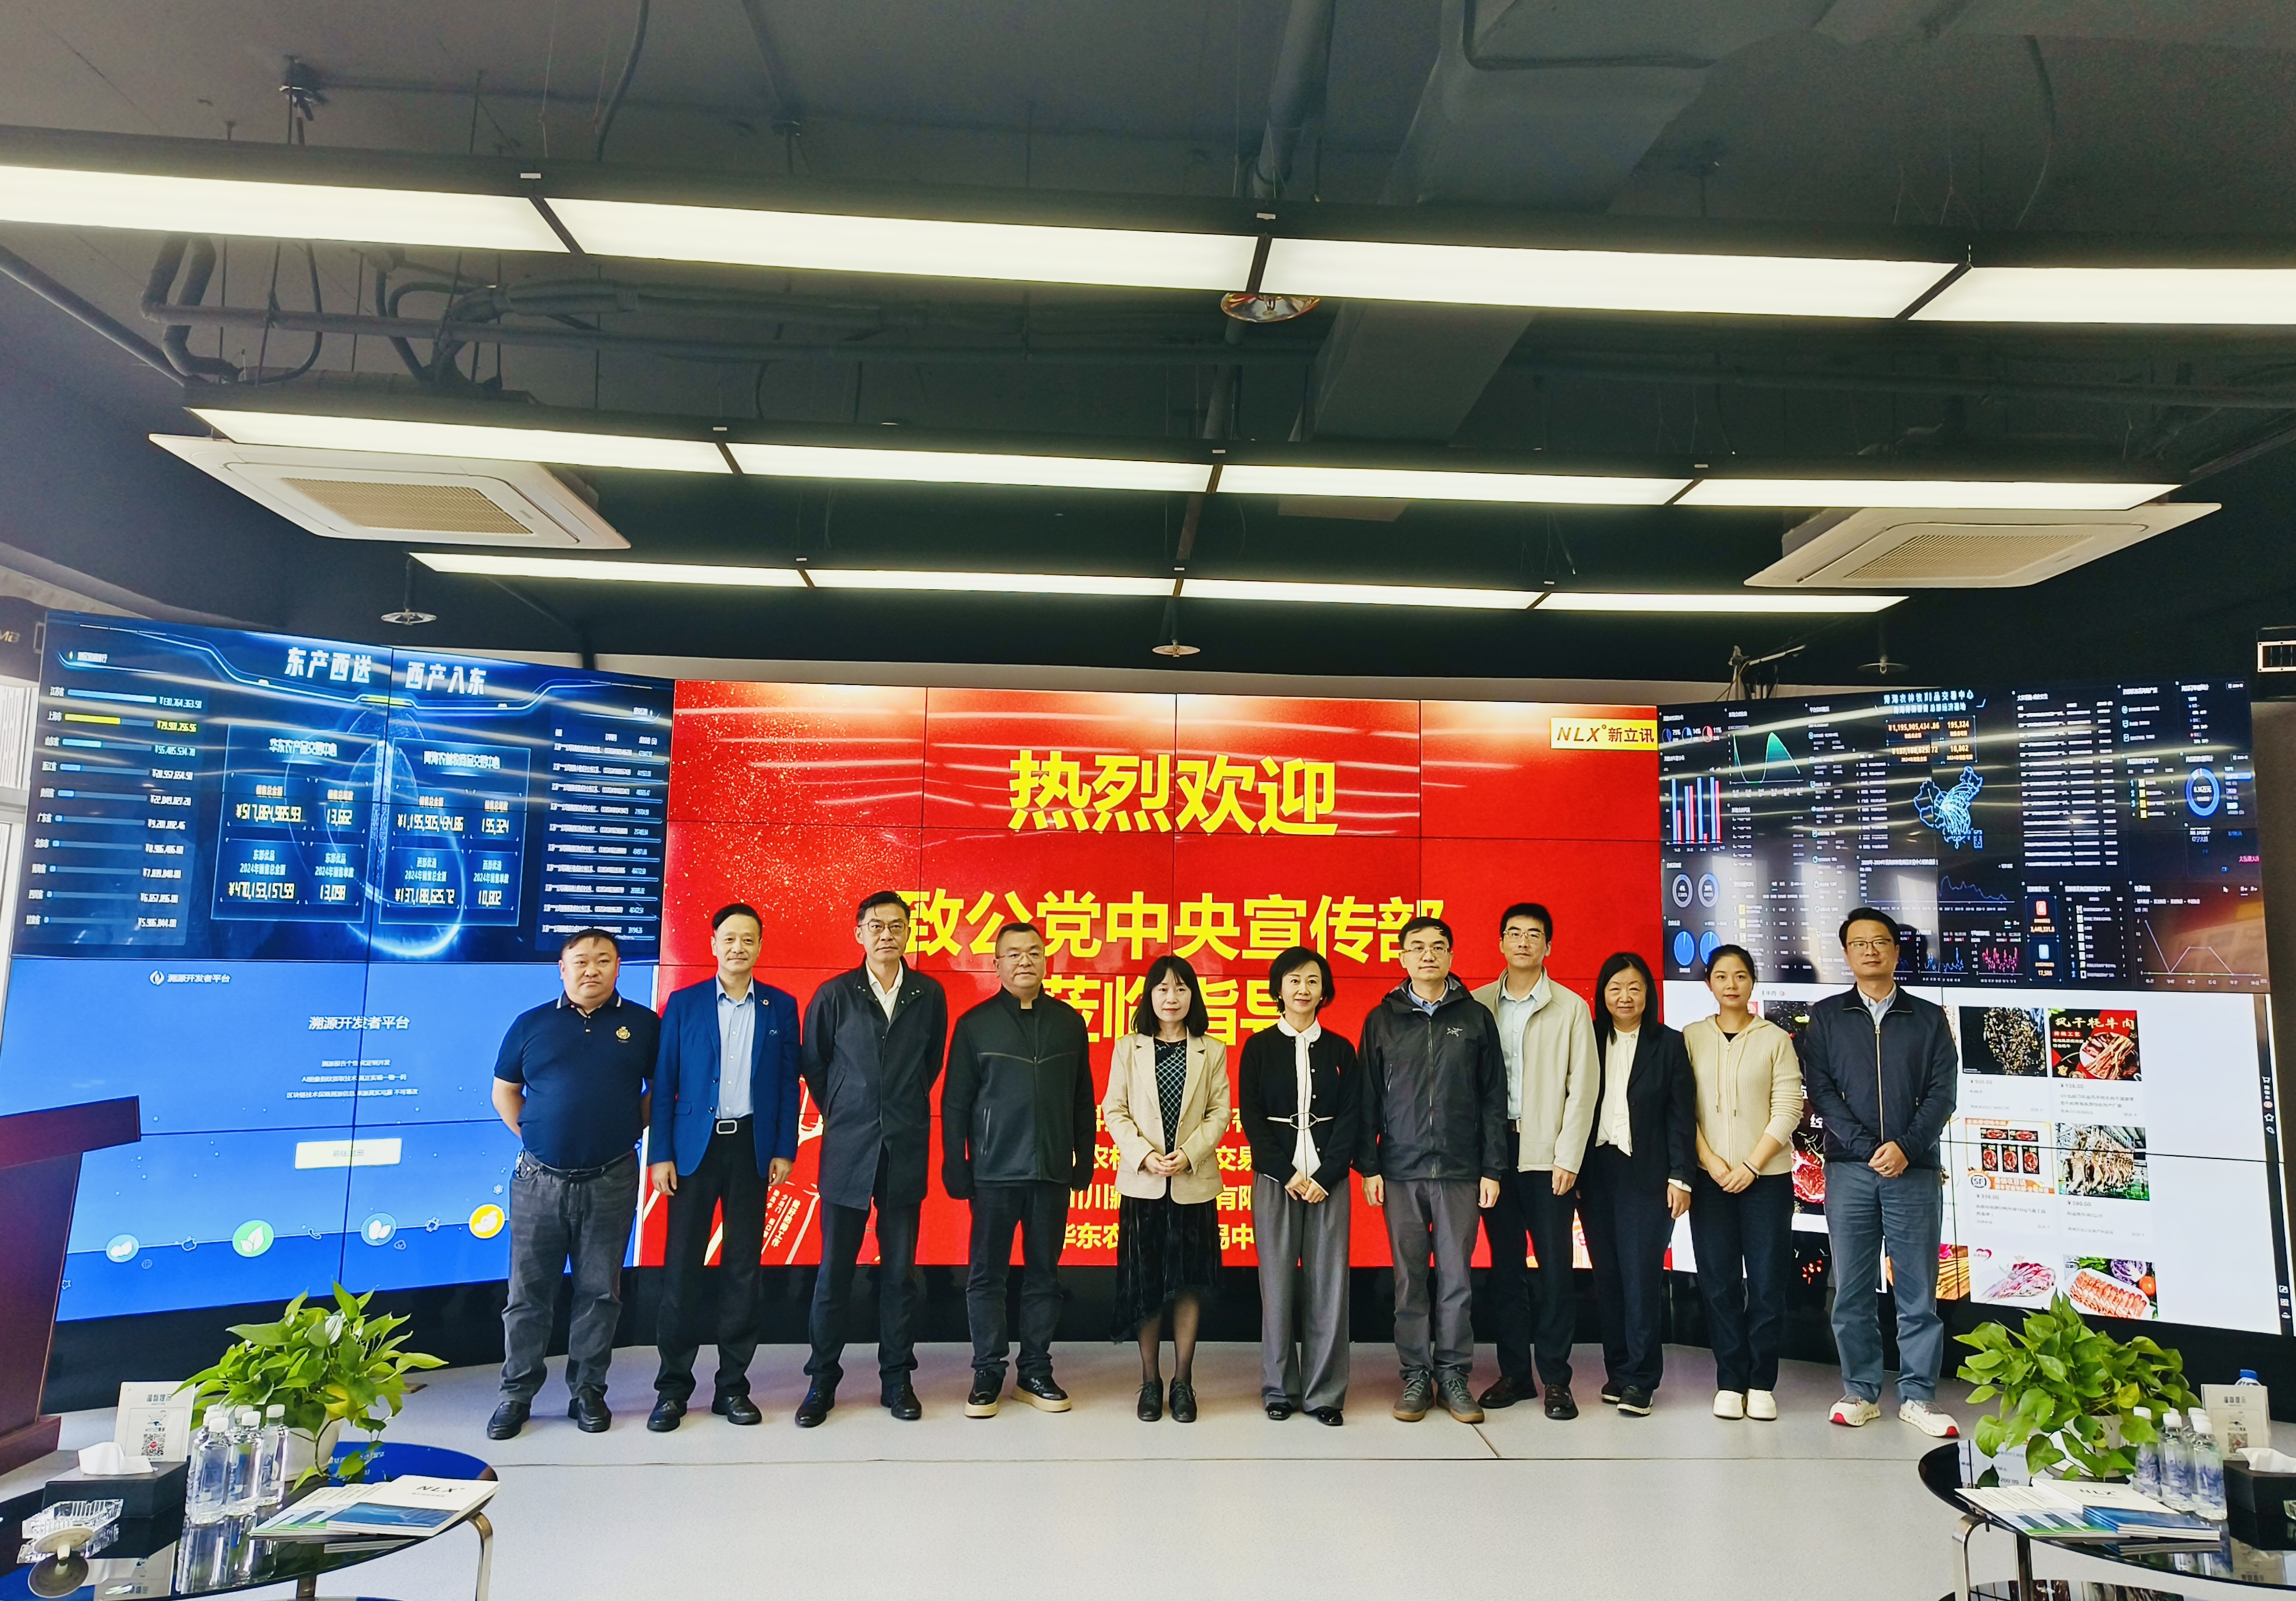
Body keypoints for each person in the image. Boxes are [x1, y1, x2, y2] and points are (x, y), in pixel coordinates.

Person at [486, 928, 661, 1439]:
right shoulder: (531, 1024)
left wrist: (627, 1128)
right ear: (562, 969)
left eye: (603, 960)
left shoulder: (643, 1025)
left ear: (618, 967)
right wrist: (538, 1139)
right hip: (539, 1181)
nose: (592, 969)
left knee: (600, 1293)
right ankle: (516, 1394)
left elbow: (659, 1091)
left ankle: (588, 1392)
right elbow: (504, 1092)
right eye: (581, 961)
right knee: (527, 1293)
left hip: (611, 1177)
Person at [1800, 907, 1961, 1437]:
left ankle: (1918, 1395)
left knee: (1917, 1292)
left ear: (1895, 951)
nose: (1870, 951)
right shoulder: (1826, 1017)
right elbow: (1822, 1092)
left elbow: (1942, 1093)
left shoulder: (1928, 1018)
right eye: (1859, 943)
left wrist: (1906, 1148)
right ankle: (1860, 1391)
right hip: (1850, 1170)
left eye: (1880, 942)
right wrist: (1871, 1148)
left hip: (1913, 1170)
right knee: (1852, 1289)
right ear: (1846, 954)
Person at [645, 903, 801, 1432]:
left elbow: (788, 1084)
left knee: (742, 1269)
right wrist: (660, 1154)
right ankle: (672, 1389)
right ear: (713, 944)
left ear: (760, 946)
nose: (738, 948)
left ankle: (733, 1387)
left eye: (748, 939)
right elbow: (664, 1082)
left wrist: (784, 1148)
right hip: (694, 1150)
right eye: (729, 938)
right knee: (681, 1269)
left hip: (751, 1147)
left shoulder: (781, 1007)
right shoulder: (683, 1004)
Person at [796, 890, 950, 1427]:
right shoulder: (835, 994)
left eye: (897, 926)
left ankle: (897, 1378)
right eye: (876, 925)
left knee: (900, 1273)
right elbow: (814, 1063)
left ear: (909, 932)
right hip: (848, 1148)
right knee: (833, 1271)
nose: (887, 934)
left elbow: (930, 1065)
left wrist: (896, 1107)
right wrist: (847, 1108)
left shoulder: (928, 994)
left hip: (905, 1146)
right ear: (859, 933)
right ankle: (821, 1380)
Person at [1358, 914, 1507, 1425]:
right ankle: (1415, 1374)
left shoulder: (1475, 1017)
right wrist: (1370, 1165)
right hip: (1399, 1170)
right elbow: (1367, 1098)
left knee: (1456, 1279)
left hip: (1460, 1170)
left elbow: (1493, 1099)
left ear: (1450, 956)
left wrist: (1492, 1168)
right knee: (1408, 1280)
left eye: (1438, 947)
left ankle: (1453, 1374)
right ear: (1402, 957)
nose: (1427, 955)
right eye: (1417, 947)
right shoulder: (1382, 1019)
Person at [942, 921, 1094, 1418]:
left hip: (1050, 1170)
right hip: (993, 1173)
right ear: (997, 964)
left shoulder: (1069, 1022)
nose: (1024, 961)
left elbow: (1082, 1099)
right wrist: (956, 1164)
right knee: (986, 1275)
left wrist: (1084, 1156)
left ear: (1046, 960)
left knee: (1044, 1276)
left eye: (1033, 952)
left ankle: (1034, 1371)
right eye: (1013, 954)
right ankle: (987, 1371)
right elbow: (955, 1104)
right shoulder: (975, 1024)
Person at [1469, 903, 1599, 1421]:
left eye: (1533, 935)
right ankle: (1515, 1375)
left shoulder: (1570, 1007)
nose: (1523, 942)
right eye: (1514, 933)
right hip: (1495, 1156)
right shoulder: (1477, 1004)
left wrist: (1568, 1156)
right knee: (1505, 1271)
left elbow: (1582, 1089)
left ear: (1548, 946)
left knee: (1554, 1272)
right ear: (1500, 942)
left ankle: (1556, 1380)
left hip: (1548, 1156)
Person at [1101, 954, 1232, 1424]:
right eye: (1162, 988)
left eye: (1180, 988)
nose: (1171, 997)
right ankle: (1149, 1381)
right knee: (1147, 1285)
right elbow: (1114, 1109)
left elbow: (1220, 1112)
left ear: (1193, 995)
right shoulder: (1128, 1048)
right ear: (1149, 996)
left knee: (1187, 1284)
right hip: (1144, 1184)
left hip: (1192, 1184)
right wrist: (1144, 1155)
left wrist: (1189, 1154)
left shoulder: (1211, 1050)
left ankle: (1183, 1382)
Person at [1238, 944, 1361, 1426]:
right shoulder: (1258, 1046)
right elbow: (1252, 1118)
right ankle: (1279, 1389)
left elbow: (1351, 1117)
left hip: (1329, 1182)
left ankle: (1324, 1393)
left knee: (1329, 1286)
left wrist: (1326, 1175)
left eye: (1312, 981)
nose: (1303, 989)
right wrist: (1286, 1173)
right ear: (1278, 989)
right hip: (1277, 1180)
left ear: (1323, 991)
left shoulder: (1340, 1049)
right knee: (1277, 1285)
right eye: (1293, 980)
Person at [1683, 944, 1802, 1422]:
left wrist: (1751, 1165)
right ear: (1708, 984)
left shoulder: (1774, 1039)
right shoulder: (1691, 1037)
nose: (1730, 984)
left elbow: (1788, 1108)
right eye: (1721, 976)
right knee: (1719, 1284)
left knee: (1768, 1284)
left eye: (1740, 975)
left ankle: (1761, 1382)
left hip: (1766, 1180)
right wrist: (1711, 1162)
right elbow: (1682, 1109)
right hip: (1709, 1180)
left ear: (1752, 981)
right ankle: (1730, 1381)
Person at [1578, 951, 1694, 1417]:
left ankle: (1642, 1379)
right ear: (1601, 994)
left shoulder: (1669, 1044)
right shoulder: (1586, 1038)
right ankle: (1619, 1371)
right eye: (1615, 988)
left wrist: (1681, 1176)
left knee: (1640, 1276)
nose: (1624, 997)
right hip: (1595, 1172)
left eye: (1634, 988)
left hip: (1647, 1173)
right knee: (1607, 1276)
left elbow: (1681, 1115)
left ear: (1648, 994)